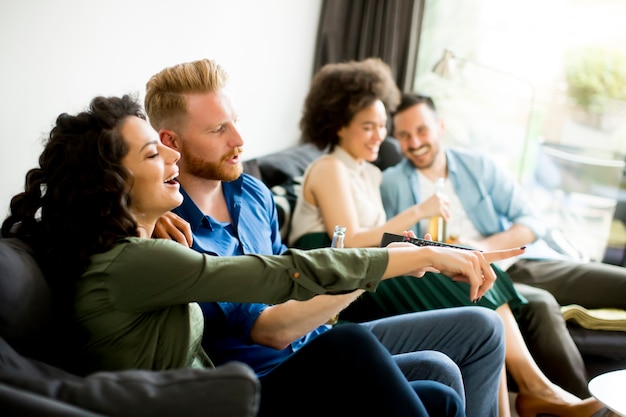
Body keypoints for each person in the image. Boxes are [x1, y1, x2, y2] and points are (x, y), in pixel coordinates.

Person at [1, 95, 527, 417]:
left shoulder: (142, 246)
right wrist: (419, 256)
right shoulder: (132, 263)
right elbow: (279, 273)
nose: (174, 158)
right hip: (218, 407)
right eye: (154, 153)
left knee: (439, 399)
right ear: (113, 181)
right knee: (350, 349)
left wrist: (143, 219)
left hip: (224, 394)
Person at [146, 58, 506, 417]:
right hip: (263, 381)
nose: (239, 139)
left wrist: (394, 257)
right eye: (218, 129)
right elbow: (272, 330)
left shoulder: (254, 194)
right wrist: (383, 265)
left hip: (313, 339)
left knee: (453, 366)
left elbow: (289, 281)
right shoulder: (168, 229)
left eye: (235, 122)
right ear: (170, 142)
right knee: (351, 343)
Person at [287, 60, 605, 417]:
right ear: (338, 126)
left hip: (371, 265)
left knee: (476, 273)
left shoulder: (370, 174)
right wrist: (419, 213)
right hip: (340, 274)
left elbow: (379, 239)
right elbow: (350, 241)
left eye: (381, 125)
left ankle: (519, 401)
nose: (380, 135)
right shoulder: (330, 168)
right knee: (474, 274)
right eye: (367, 127)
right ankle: (535, 390)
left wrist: (413, 243)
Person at [380, 93, 626, 409]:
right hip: (467, 277)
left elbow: (531, 220)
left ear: (440, 126)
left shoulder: (478, 166)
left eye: (421, 130)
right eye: (403, 135)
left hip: (520, 261)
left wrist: (482, 247)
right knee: (541, 305)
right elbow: (402, 247)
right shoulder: (392, 183)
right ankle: (589, 406)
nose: (414, 142)